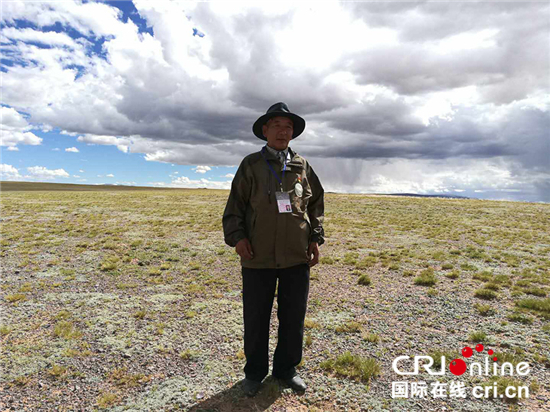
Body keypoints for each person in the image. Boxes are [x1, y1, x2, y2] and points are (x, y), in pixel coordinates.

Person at [222, 102, 325, 397]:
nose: (283, 131)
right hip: (258, 256)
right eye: (277, 125)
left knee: (293, 317)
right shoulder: (251, 164)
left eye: (288, 126)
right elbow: (235, 206)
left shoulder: (302, 166)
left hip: (296, 256)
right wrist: (238, 238)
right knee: (256, 318)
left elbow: (316, 203)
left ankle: (286, 370)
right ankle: (254, 373)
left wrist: (315, 237)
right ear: (265, 130)